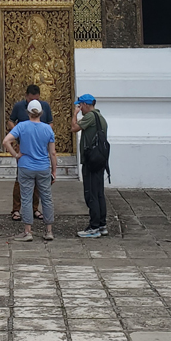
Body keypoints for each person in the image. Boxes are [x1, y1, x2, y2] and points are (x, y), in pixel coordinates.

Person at [3, 99, 56, 243]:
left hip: (26, 166)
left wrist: (16, 155)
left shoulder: (22, 126)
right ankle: (49, 230)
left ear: (28, 112)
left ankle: (28, 231)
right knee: (46, 198)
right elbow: (52, 153)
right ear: (41, 113)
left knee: (26, 198)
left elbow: (6, 141)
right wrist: (54, 170)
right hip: (43, 167)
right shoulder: (47, 129)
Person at [8, 84, 52, 221]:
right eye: (31, 99)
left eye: (37, 99)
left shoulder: (45, 106)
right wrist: (18, 133)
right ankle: (16, 209)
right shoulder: (18, 106)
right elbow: (10, 122)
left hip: (39, 148)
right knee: (20, 180)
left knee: (38, 183)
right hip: (24, 148)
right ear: (26, 96)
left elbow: (50, 123)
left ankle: (34, 208)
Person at [71, 94, 108, 239]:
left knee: (91, 194)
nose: (79, 108)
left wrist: (75, 114)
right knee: (99, 193)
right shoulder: (101, 117)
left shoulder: (90, 116)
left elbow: (74, 128)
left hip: (91, 161)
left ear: (86, 104)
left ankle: (93, 227)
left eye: (80, 106)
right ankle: (101, 224)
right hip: (99, 160)